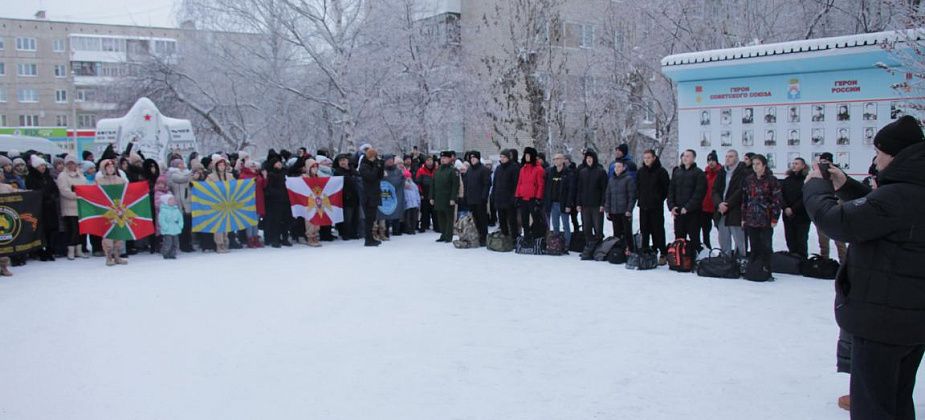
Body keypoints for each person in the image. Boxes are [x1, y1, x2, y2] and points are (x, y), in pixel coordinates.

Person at [803, 115, 925, 420]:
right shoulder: (911, 191)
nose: (876, 159)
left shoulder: (899, 195)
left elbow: (839, 222)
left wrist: (816, 188)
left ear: (896, 154)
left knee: (872, 407)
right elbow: (882, 217)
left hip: (883, 319)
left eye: (880, 152)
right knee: (896, 400)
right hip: (910, 319)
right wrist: (847, 186)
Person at [741, 154, 782, 276]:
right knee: (754, 245)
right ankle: (754, 269)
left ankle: (766, 270)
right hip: (751, 217)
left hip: (766, 218)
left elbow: (777, 200)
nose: (755, 166)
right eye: (753, 164)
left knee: (766, 246)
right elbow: (744, 199)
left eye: (758, 164)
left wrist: (775, 218)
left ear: (764, 165)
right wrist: (743, 217)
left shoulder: (772, 180)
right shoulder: (748, 179)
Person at [712, 150, 748, 258]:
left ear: (737, 158)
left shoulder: (743, 171)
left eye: (731, 156)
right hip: (721, 210)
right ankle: (725, 259)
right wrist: (719, 204)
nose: (728, 159)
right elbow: (715, 190)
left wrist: (727, 204)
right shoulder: (722, 171)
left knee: (739, 238)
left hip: (735, 209)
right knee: (723, 237)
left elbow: (741, 190)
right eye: (726, 156)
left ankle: (741, 259)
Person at [668, 150, 707, 252]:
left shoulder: (699, 173)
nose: (685, 158)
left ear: (693, 158)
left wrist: (688, 207)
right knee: (679, 238)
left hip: (693, 212)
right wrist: (671, 206)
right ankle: (680, 260)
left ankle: (695, 259)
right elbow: (671, 191)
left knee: (694, 237)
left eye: (688, 156)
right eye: (684, 156)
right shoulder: (677, 172)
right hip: (678, 211)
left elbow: (699, 193)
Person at [636, 150, 670, 264]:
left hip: (656, 206)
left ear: (654, 158)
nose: (646, 160)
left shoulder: (661, 172)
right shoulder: (640, 172)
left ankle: (662, 252)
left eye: (649, 157)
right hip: (643, 206)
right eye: (645, 157)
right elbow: (638, 187)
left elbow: (666, 189)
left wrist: (658, 198)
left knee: (658, 230)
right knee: (644, 229)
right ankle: (646, 252)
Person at [26, 154, 60, 262]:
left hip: (50, 207)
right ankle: (40, 251)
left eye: (44, 165)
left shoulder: (48, 177)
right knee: (40, 230)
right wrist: (45, 196)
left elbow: (55, 189)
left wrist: (53, 196)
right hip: (38, 208)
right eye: (41, 166)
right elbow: (33, 192)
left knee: (52, 230)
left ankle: (50, 250)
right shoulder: (30, 178)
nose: (43, 168)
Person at [56, 154, 90, 260]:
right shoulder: (62, 176)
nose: (71, 165)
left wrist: (84, 195)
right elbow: (64, 190)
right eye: (69, 163)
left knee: (80, 230)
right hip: (69, 207)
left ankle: (79, 250)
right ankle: (70, 250)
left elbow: (86, 188)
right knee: (72, 230)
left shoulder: (81, 176)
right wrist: (77, 196)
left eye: (73, 163)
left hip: (81, 207)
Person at [816, 152, 847, 263]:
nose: (823, 164)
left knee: (840, 241)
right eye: (822, 161)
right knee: (823, 240)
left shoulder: (838, 173)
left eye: (826, 162)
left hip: (837, 210)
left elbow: (844, 192)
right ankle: (824, 262)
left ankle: (844, 263)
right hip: (822, 209)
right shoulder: (817, 175)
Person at [96, 159, 128, 266]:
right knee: (108, 234)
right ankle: (108, 257)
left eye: (112, 167)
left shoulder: (120, 180)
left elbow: (126, 193)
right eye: (108, 167)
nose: (110, 169)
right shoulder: (100, 181)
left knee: (119, 234)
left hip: (119, 210)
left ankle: (117, 256)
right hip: (106, 211)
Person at [575, 149, 608, 246]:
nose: (589, 160)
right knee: (586, 228)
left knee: (598, 228)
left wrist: (603, 203)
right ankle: (588, 248)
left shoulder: (601, 171)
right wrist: (578, 203)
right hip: (585, 205)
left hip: (597, 205)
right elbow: (579, 189)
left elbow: (604, 189)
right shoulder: (582, 172)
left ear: (594, 159)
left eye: (590, 158)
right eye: (587, 158)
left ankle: (599, 248)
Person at [604, 160, 637, 254]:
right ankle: (619, 251)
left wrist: (629, 209)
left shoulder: (628, 179)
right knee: (616, 233)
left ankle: (630, 249)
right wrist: (607, 209)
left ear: (623, 168)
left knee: (627, 232)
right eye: (615, 167)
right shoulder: (611, 179)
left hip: (625, 211)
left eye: (619, 167)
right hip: (614, 211)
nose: (617, 169)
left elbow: (632, 196)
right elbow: (608, 195)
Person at [515, 147, 547, 241]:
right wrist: (517, 196)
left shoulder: (539, 169)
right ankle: (526, 237)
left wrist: (538, 198)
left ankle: (537, 238)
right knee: (524, 219)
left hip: (533, 198)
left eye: (528, 155)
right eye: (525, 155)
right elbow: (519, 183)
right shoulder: (522, 169)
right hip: (523, 198)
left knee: (536, 219)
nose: (527, 157)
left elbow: (541, 185)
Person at [781, 157, 810, 257]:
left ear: (803, 166)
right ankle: (792, 260)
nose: (794, 165)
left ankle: (802, 260)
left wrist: (793, 209)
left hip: (802, 215)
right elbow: (780, 195)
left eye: (796, 163)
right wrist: (785, 207)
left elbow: (805, 197)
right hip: (787, 214)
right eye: (793, 163)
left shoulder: (807, 180)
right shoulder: (787, 180)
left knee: (801, 239)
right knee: (789, 238)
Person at [263, 151, 293, 248]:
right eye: (277, 162)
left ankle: (284, 238)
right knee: (276, 221)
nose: (279, 163)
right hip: (275, 202)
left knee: (286, 220)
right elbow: (268, 189)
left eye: (280, 162)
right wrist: (278, 193)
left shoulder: (285, 172)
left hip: (286, 201)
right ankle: (275, 239)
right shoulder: (271, 175)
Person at [544, 153, 574, 245]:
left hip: (563, 204)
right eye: (554, 159)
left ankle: (566, 245)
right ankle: (556, 244)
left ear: (563, 160)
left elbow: (571, 190)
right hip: (553, 203)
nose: (556, 161)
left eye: (558, 159)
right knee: (555, 226)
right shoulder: (551, 172)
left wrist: (568, 205)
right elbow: (548, 188)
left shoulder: (568, 173)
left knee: (566, 226)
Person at [463, 151, 491, 246]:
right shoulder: (470, 170)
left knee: (482, 219)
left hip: (480, 199)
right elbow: (466, 184)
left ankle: (484, 237)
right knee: (474, 219)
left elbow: (487, 184)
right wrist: (466, 195)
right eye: (471, 158)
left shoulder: (484, 170)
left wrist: (484, 197)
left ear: (478, 158)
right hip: (471, 199)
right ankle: (477, 236)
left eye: (474, 158)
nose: (472, 159)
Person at [206, 155, 233, 253]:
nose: (222, 167)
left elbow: (234, 187)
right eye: (220, 165)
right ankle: (219, 244)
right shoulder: (211, 177)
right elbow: (207, 189)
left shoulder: (229, 176)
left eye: (223, 165)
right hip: (216, 203)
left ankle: (226, 242)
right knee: (218, 225)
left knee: (226, 224)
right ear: (216, 166)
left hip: (227, 203)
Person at [431, 151, 459, 243]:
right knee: (441, 218)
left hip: (448, 198)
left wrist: (453, 198)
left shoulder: (453, 170)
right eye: (442, 158)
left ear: (450, 159)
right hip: (439, 198)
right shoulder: (437, 170)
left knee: (449, 218)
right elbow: (433, 184)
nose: (443, 160)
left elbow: (455, 185)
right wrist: (431, 197)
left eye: (445, 158)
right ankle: (443, 234)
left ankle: (448, 236)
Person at [359, 147, 385, 247]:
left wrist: (380, 166)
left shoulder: (373, 165)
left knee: (372, 218)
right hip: (367, 196)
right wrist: (376, 166)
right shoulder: (363, 166)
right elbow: (371, 177)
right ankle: (368, 239)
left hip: (374, 194)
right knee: (369, 219)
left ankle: (371, 238)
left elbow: (380, 176)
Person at [237, 159, 266, 248]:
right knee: (249, 222)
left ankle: (255, 237)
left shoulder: (257, 175)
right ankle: (250, 239)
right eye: (251, 166)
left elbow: (263, 186)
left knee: (256, 221)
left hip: (258, 199)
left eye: (254, 166)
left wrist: (265, 177)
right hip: (248, 201)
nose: (253, 167)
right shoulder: (243, 175)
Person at [492, 149, 520, 238]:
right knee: (502, 220)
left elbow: (516, 184)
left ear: (508, 157)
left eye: (504, 157)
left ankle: (514, 238)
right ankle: (505, 236)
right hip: (500, 199)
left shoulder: (514, 167)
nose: (502, 159)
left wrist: (514, 198)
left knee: (512, 221)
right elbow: (495, 183)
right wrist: (494, 195)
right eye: (501, 157)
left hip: (510, 199)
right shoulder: (498, 168)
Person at [334, 154, 361, 240]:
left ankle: (354, 233)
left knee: (355, 217)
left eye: (344, 160)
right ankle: (345, 233)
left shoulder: (352, 169)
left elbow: (358, 176)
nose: (343, 162)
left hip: (355, 196)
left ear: (348, 161)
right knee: (347, 217)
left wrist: (351, 169)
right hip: (345, 197)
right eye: (340, 161)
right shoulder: (337, 171)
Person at [301, 159, 324, 247]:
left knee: (317, 219)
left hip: (317, 201)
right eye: (312, 167)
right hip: (308, 202)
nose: (315, 169)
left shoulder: (317, 177)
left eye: (316, 167)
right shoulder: (304, 177)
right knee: (310, 220)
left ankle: (315, 235)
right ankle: (310, 237)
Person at [702, 150, 720, 249]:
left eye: (713, 160)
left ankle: (725, 250)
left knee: (721, 230)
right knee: (705, 230)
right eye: (709, 160)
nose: (711, 162)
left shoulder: (721, 173)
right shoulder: (705, 174)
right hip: (705, 207)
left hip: (717, 207)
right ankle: (707, 248)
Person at [415, 156, 438, 233]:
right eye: (428, 160)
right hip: (424, 193)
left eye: (431, 160)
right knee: (424, 211)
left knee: (435, 211)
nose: (429, 162)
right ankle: (423, 226)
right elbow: (418, 183)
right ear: (425, 161)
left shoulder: (437, 170)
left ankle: (437, 226)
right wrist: (420, 193)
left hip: (435, 193)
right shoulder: (421, 170)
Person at [158, 194, 183, 259]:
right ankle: (165, 253)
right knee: (168, 243)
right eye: (170, 200)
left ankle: (173, 254)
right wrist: (165, 227)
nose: (173, 201)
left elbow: (180, 218)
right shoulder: (163, 210)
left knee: (175, 243)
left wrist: (180, 225)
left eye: (173, 200)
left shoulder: (176, 209)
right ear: (166, 201)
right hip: (167, 230)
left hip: (175, 229)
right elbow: (161, 220)